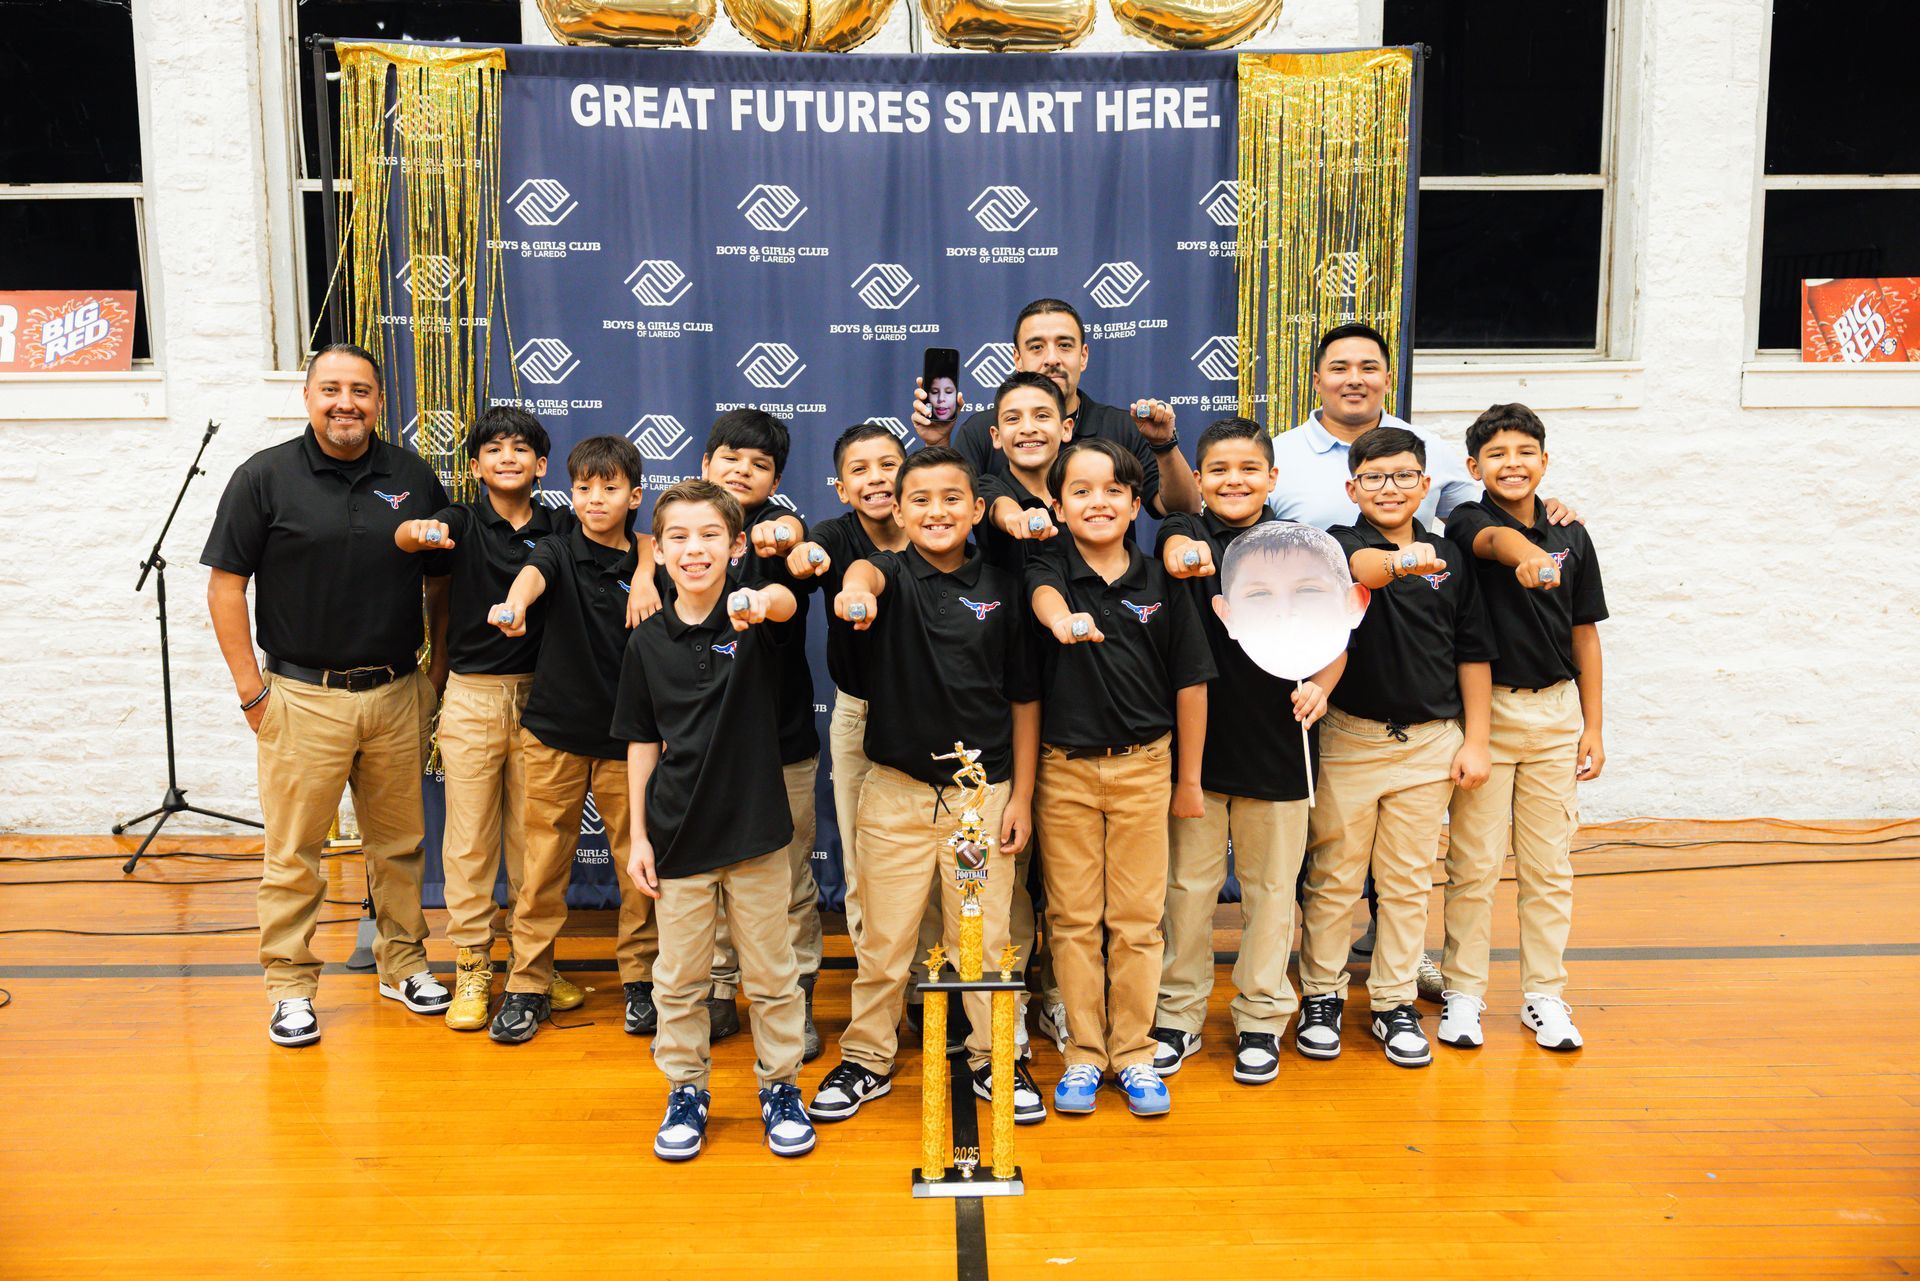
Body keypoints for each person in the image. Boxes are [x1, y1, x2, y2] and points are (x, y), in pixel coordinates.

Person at [202, 342, 452, 1047]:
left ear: (379, 399)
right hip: (300, 697)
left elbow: (441, 582)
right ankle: (289, 984)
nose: (347, 402)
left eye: (362, 390)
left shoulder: (410, 473)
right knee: (295, 850)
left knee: (399, 844)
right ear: (308, 396)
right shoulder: (265, 476)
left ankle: (402, 964)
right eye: (332, 389)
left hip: (396, 691)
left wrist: (432, 680)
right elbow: (226, 585)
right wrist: (252, 692)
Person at [809, 447, 1045, 1127]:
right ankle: (867, 1057)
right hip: (895, 794)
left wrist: (1021, 796)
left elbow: (1025, 698)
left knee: (983, 933)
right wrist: (855, 594)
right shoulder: (883, 574)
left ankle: (992, 1055)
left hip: (980, 795)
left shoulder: (1003, 586)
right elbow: (862, 576)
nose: (936, 511)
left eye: (951, 499)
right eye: (919, 500)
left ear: (976, 509)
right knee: (886, 940)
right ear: (898, 510)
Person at [614, 479, 815, 1163]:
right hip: (677, 835)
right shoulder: (646, 642)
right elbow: (642, 741)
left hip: (756, 831)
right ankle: (687, 1088)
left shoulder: (756, 619)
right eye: (678, 537)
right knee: (679, 978)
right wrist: (639, 835)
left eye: (709, 536)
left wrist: (760, 598)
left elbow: (788, 599)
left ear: (734, 546)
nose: (694, 549)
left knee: (771, 973)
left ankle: (780, 1086)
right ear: (660, 550)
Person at [1150, 418, 1348, 1085]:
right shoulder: (1184, 534)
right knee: (1187, 890)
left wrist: (1322, 686)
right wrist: (1184, 548)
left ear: (1272, 477)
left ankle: (1261, 1016)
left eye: (1248, 468)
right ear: (1199, 481)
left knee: (1270, 891)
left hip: (1280, 744)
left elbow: (1337, 630)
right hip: (1196, 755)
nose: (1234, 480)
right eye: (1220, 470)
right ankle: (1176, 1015)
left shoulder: (1303, 548)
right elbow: (1176, 536)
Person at [1295, 426, 1496, 1070]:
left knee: (1408, 881)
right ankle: (1322, 995)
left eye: (1404, 476)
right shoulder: (1339, 545)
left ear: (1425, 484)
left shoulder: (1450, 555)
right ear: (1353, 487)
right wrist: (1406, 562)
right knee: (1333, 877)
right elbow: (1365, 572)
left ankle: (1394, 1001)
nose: (1390, 488)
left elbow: (1472, 652)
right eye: (1375, 478)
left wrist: (1477, 742)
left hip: (1431, 743)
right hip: (1352, 737)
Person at [1026, 438, 1214, 1117]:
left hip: (1145, 768)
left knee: (1138, 919)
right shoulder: (1047, 569)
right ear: (1058, 504)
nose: (1098, 502)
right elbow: (1043, 593)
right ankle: (1083, 1051)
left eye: (1113, 490)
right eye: (1080, 491)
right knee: (1075, 919)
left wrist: (1187, 779)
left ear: (1137, 503)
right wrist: (1061, 620)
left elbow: (1191, 683)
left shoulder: (1161, 577)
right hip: (1063, 772)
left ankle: (1132, 1053)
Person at [391, 407, 589, 1030]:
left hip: (546, 697)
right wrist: (417, 532)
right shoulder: (460, 519)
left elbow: (628, 539)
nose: (508, 456)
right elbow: (409, 537)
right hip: (474, 695)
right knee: (470, 839)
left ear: (541, 464)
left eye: (521, 447)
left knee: (538, 841)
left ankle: (534, 963)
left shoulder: (560, 523)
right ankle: (473, 963)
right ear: (475, 466)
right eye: (495, 448)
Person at [1436, 404, 1608, 1052]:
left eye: (1525, 451)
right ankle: (1463, 994)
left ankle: (1544, 996)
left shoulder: (1574, 534)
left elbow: (1585, 636)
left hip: (1557, 715)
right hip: (1488, 714)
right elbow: (1494, 544)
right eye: (1498, 453)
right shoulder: (1466, 522)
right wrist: (1530, 553)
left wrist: (1593, 726)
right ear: (1475, 465)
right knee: (1474, 864)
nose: (1513, 463)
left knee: (1549, 867)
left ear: (1544, 460)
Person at [483, 435, 657, 1044]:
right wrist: (513, 602)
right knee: (540, 865)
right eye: (584, 488)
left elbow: (659, 539)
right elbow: (532, 574)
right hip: (554, 734)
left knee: (639, 863)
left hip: (628, 740)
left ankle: (642, 980)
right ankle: (528, 984)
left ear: (634, 496)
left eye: (610, 488)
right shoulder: (557, 545)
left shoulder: (652, 555)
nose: (595, 499)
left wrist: (645, 568)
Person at [688, 411, 824, 1059]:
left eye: (759, 463)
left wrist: (787, 533)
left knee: (791, 875)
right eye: (729, 457)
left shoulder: (784, 541)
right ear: (705, 463)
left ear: (775, 482)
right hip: (702, 741)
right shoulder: (680, 537)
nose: (742, 469)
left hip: (782, 736)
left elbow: (800, 560)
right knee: (710, 870)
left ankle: (796, 993)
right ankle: (717, 988)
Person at [783, 423, 910, 954]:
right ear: (840, 488)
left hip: (937, 716)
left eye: (888, 465)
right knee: (862, 861)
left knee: (926, 864)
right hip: (858, 715)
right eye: (859, 470)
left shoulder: (937, 528)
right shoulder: (835, 536)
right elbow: (808, 551)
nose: (876, 478)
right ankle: (875, 984)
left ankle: (923, 991)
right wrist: (801, 552)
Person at [915, 297, 1201, 522]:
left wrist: (1164, 445)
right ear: (1017, 358)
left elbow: (1183, 510)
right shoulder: (981, 430)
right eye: (1037, 347)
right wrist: (936, 440)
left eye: (1064, 345)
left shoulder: (1123, 427)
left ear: (1083, 356)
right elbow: (947, 511)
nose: (1052, 359)